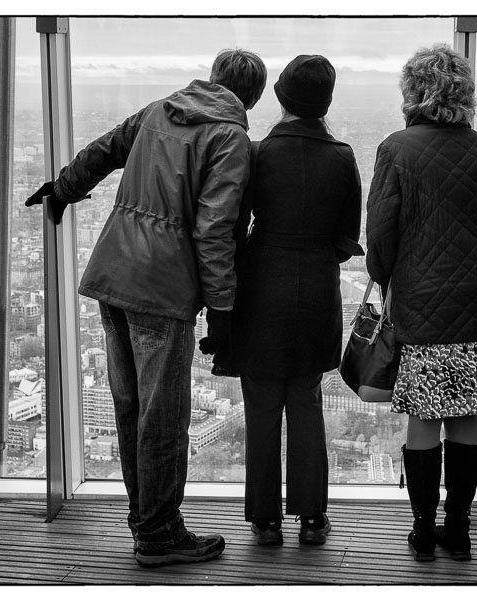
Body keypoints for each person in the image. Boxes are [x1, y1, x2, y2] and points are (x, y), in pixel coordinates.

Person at [25, 49, 267, 567]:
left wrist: (63, 190)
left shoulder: (161, 110)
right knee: (163, 416)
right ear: (252, 96)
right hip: (162, 289)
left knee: (131, 408)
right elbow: (214, 229)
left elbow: (105, 148)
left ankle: (147, 523)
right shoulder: (230, 138)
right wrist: (221, 309)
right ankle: (159, 536)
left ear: (212, 78)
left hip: (114, 273)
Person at [366, 44, 477, 562]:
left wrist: (389, 278)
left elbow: (381, 240)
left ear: (413, 93)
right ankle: (457, 529)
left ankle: (421, 530)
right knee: (465, 417)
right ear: (465, 93)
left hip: (423, 303)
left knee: (424, 418)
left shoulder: (396, 149)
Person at [211, 55, 362, 546]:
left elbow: (234, 227)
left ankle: (265, 520)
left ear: (280, 97)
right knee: (306, 400)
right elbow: (346, 239)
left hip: (262, 287)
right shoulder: (342, 157)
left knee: (260, 403)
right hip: (316, 287)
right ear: (327, 102)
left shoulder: (257, 153)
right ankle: (312, 517)